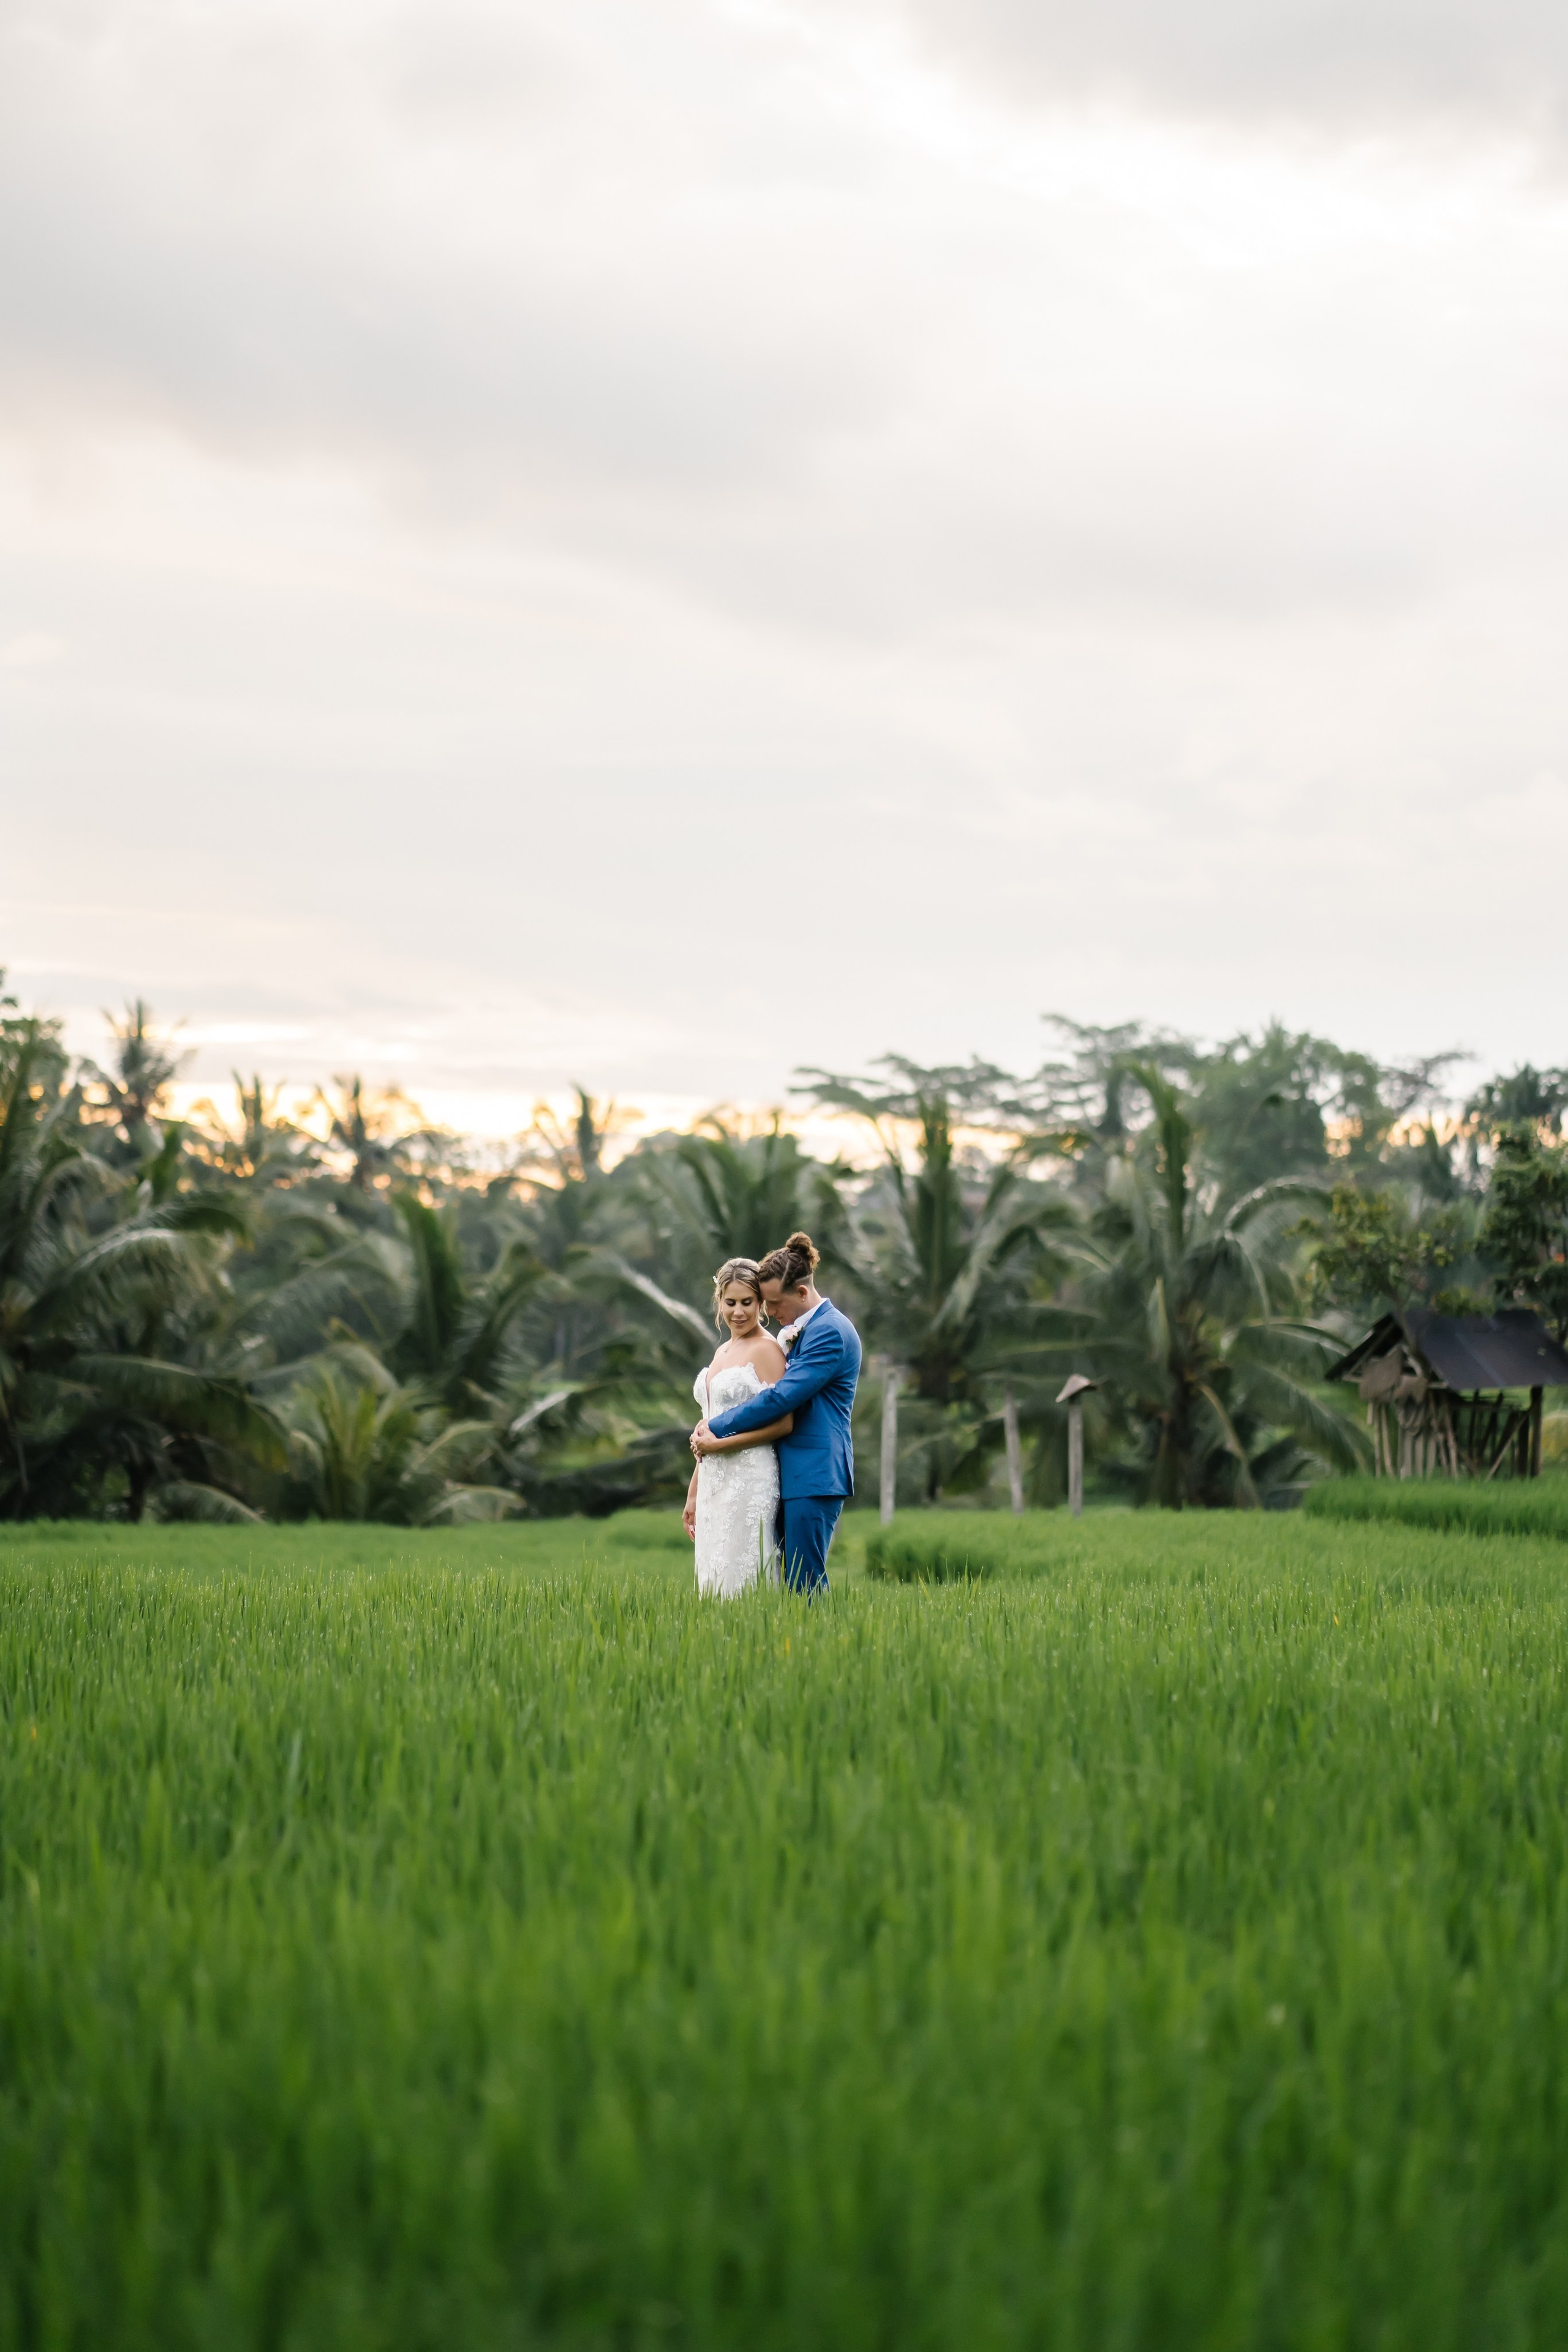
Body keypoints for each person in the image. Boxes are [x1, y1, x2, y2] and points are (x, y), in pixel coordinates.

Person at [691, 1232, 861, 1599]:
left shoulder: (829, 1332)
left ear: (800, 1293)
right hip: (789, 1471)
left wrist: (715, 1427)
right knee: (781, 1583)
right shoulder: (803, 1330)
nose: (768, 1313)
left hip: (814, 1472)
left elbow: (781, 1399)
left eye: (772, 1303)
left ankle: (821, 1637)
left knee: (804, 1584)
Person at [683, 1257, 794, 1597]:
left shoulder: (768, 1350)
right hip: (713, 1481)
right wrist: (693, 1492)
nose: (739, 1312)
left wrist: (719, 1446)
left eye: (747, 1302)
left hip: (750, 1478)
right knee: (714, 1580)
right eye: (731, 1303)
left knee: (743, 1579)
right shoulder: (721, 1351)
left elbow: (784, 1423)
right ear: (720, 1302)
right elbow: (709, 1430)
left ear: (761, 1303)